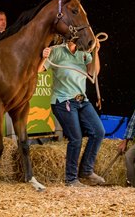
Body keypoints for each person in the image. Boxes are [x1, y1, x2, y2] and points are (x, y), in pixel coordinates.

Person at [42, 39, 105, 187]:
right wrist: (44, 57)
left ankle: (86, 171)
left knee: (98, 132)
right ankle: (71, 179)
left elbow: (93, 72)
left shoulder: (83, 53)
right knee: (76, 138)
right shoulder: (56, 51)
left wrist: (96, 51)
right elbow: (39, 70)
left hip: (81, 100)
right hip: (63, 101)